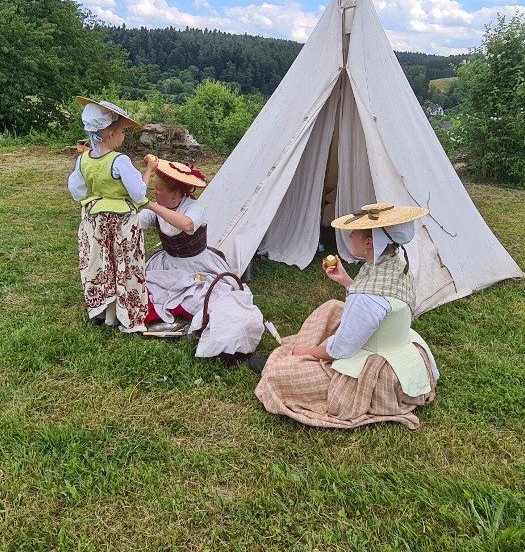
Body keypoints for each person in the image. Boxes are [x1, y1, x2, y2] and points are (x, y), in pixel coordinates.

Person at [254, 203, 440, 429]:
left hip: (383, 371)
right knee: (333, 307)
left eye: (355, 233)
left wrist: (308, 352)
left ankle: (293, 357)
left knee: (279, 376)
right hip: (399, 348)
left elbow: (341, 349)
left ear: (369, 243)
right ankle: (299, 352)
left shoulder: (368, 295)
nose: (350, 235)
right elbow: (374, 306)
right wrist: (344, 280)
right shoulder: (393, 263)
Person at [139, 156, 263, 363]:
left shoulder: (194, 208)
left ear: (175, 195)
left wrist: (151, 205)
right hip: (168, 262)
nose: (155, 192)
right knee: (143, 289)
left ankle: (190, 323)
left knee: (210, 297)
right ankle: (174, 323)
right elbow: (137, 222)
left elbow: (187, 225)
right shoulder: (161, 208)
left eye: (159, 190)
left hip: (198, 264)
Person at [67, 96, 151, 333]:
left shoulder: (83, 159)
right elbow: (138, 193)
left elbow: (77, 191)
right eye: (123, 131)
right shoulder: (120, 161)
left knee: (102, 263)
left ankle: (104, 311)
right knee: (124, 263)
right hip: (121, 220)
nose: (125, 135)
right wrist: (149, 172)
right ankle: (124, 313)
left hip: (96, 220)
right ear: (111, 133)